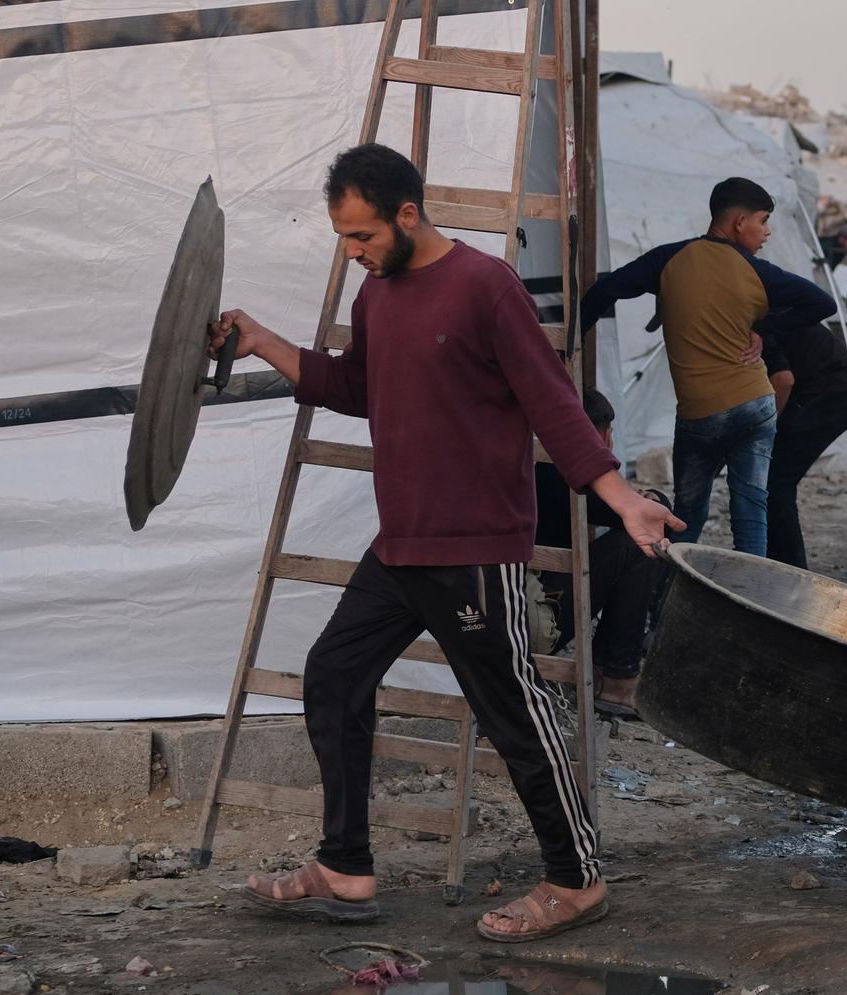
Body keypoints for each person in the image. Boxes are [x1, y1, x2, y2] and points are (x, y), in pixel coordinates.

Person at [215, 143, 681, 941]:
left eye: (362, 237)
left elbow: (554, 405)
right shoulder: (377, 297)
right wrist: (263, 340)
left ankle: (576, 881)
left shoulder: (484, 286)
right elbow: (353, 389)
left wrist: (618, 495)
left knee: (516, 712)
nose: (354, 255)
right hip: (402, 543)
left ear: (407, 213)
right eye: (344, 240)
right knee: (332, 675)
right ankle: (346, 865)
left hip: (472, 547)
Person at [581, 177, 836, 558]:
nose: (767, 232)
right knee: (751, 513)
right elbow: (822, 303)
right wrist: (763, 328)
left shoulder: (668, 259)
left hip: (700, 415)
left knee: (686, 517)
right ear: (739, 223)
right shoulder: (761, 274)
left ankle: (666, 604)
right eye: (763, 221)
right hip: (755, 405)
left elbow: (605, 290)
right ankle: (749, 606)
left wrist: (566, 353)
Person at [532, 388, 665, 717]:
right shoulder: (562, 475)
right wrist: (638, 494)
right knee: (640, 545)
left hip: (490, 614)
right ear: (600, 435)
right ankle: (618, 678)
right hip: (533, 622)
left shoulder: (535, 464)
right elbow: (657, 514)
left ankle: (609, 670)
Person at [763, 321, 847, 569]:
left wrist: (767, 428)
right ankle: (777, 562)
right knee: (772, 480)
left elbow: (783, 380)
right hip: (821, 386)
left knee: (776, 480)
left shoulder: (756, 323)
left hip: (833, 390)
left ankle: (790, 569)